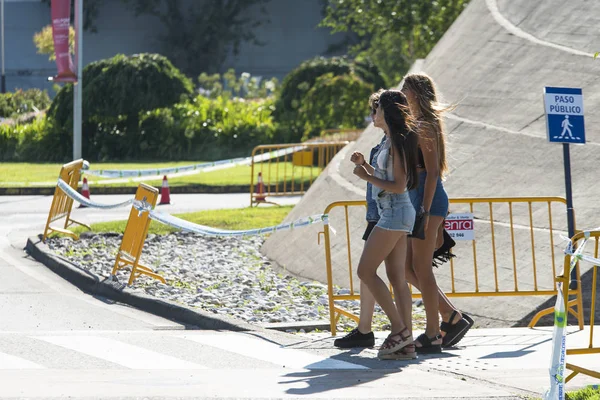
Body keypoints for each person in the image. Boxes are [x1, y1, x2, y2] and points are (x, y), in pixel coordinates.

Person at [402, 73, 474, 353]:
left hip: (426, 198)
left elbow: (432, 172)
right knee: (408, 268)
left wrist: (423, 207)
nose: (401, 92)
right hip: (416, 197)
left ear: (417, 93)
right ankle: (450, 316)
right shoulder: (415, 124)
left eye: (405, 88)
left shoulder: (426, 126)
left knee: (420, 267)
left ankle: (434, 330)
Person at [349, 89, 419, 359]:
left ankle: (400, 330)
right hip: (394, 212)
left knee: (366, 271)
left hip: (394, 213)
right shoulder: (390, 141)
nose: (373, 114)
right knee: (396, 279)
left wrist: (366, 177)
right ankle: (407, 343)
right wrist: (365, 167)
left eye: (376, 109)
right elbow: (387, 177)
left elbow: (399, 185)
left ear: (387, 113)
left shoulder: (398, 143)